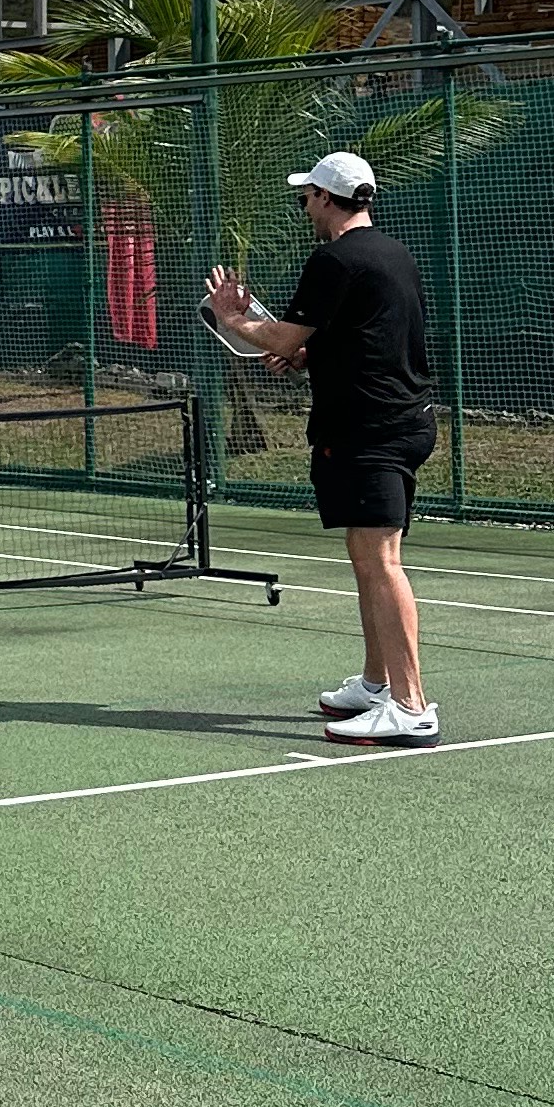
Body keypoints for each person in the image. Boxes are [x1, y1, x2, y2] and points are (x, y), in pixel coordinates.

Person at [203, 149, 438, 747]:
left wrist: (234, 318)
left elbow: (279, 334)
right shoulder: (393, 253)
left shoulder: (334, 260)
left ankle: (411, 708)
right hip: (398, 423)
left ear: (328, 200)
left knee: (381, 562)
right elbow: (368, 337)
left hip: (372, 431)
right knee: (368, 559)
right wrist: (310, 355)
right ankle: (376, 684)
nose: (304, 203)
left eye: (307, 195)